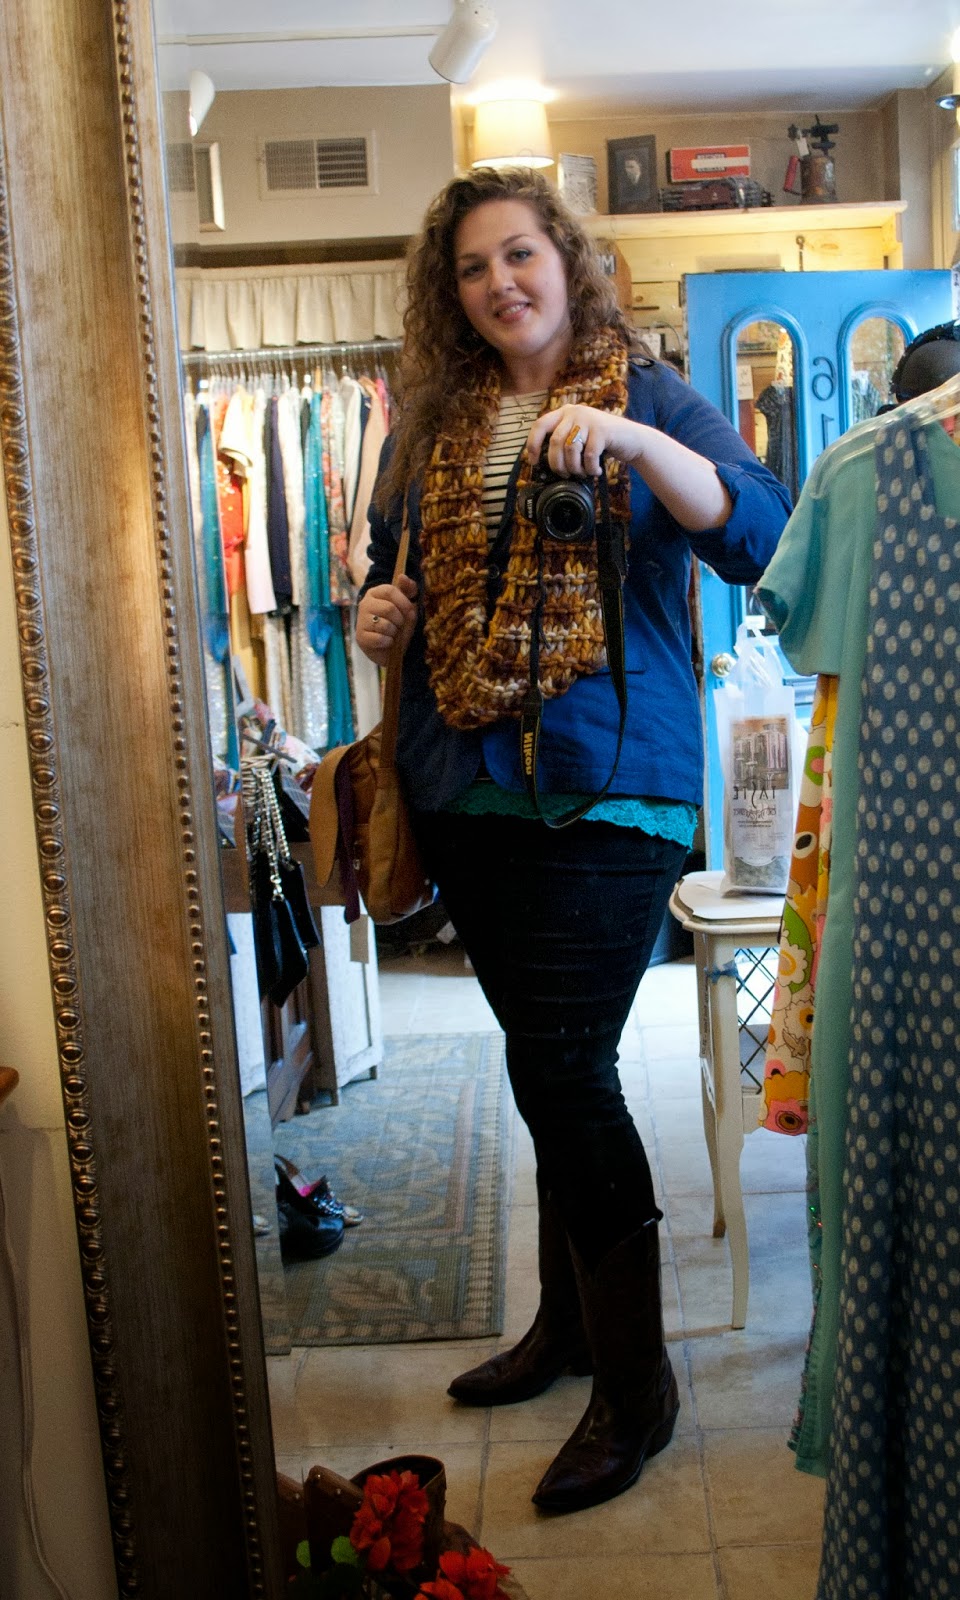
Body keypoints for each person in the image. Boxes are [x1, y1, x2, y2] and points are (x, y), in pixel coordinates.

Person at [357, 167, 791, 1515]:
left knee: (564, 1068)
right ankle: (568, 1330)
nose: (500, 282)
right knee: (549, 1065)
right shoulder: (433, 426)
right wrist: (379, 612)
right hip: (466, 783)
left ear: (567, 259)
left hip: (611, 787)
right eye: (472, 266)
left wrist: (635, 447)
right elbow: (390, 569)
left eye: (520, 254)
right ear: (452, 293)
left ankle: (636, 1384)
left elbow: (762, 531)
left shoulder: (650, 392)